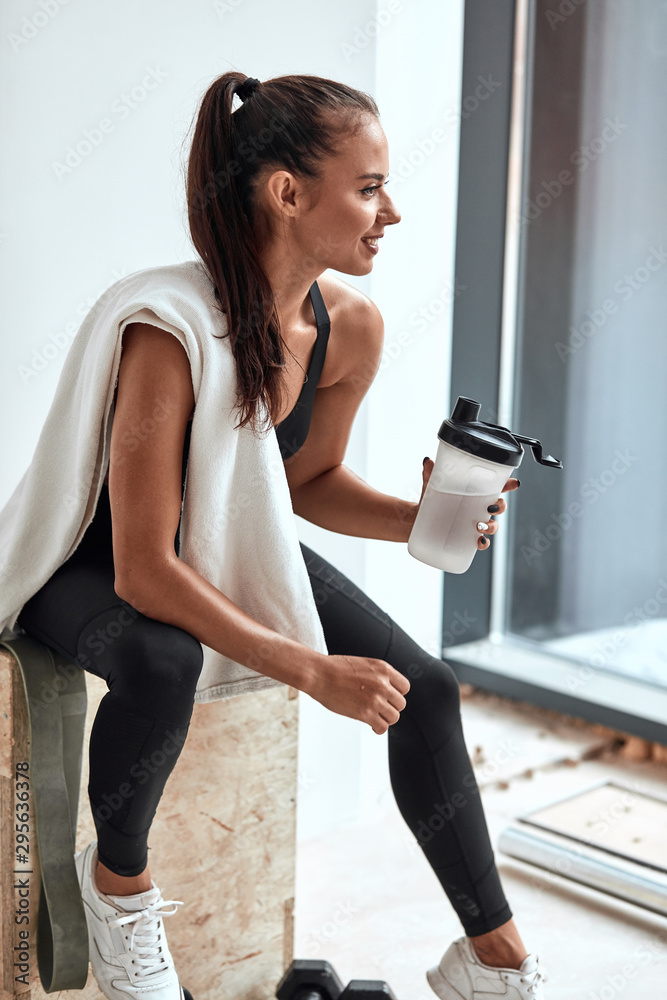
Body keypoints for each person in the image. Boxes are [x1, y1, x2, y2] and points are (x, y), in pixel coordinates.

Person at [14, 72, 547, 1000]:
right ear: (288, 192)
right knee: (164, 659)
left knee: (424, 686)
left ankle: (493, 959)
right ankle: (120, 895)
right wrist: (311, 670)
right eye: (369, 187)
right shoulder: (170, 332)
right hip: (93, 563)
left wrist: (420, 519)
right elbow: (144, 568)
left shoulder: (348, 326)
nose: (391, 212)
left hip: (212, 545)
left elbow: (304, 483)